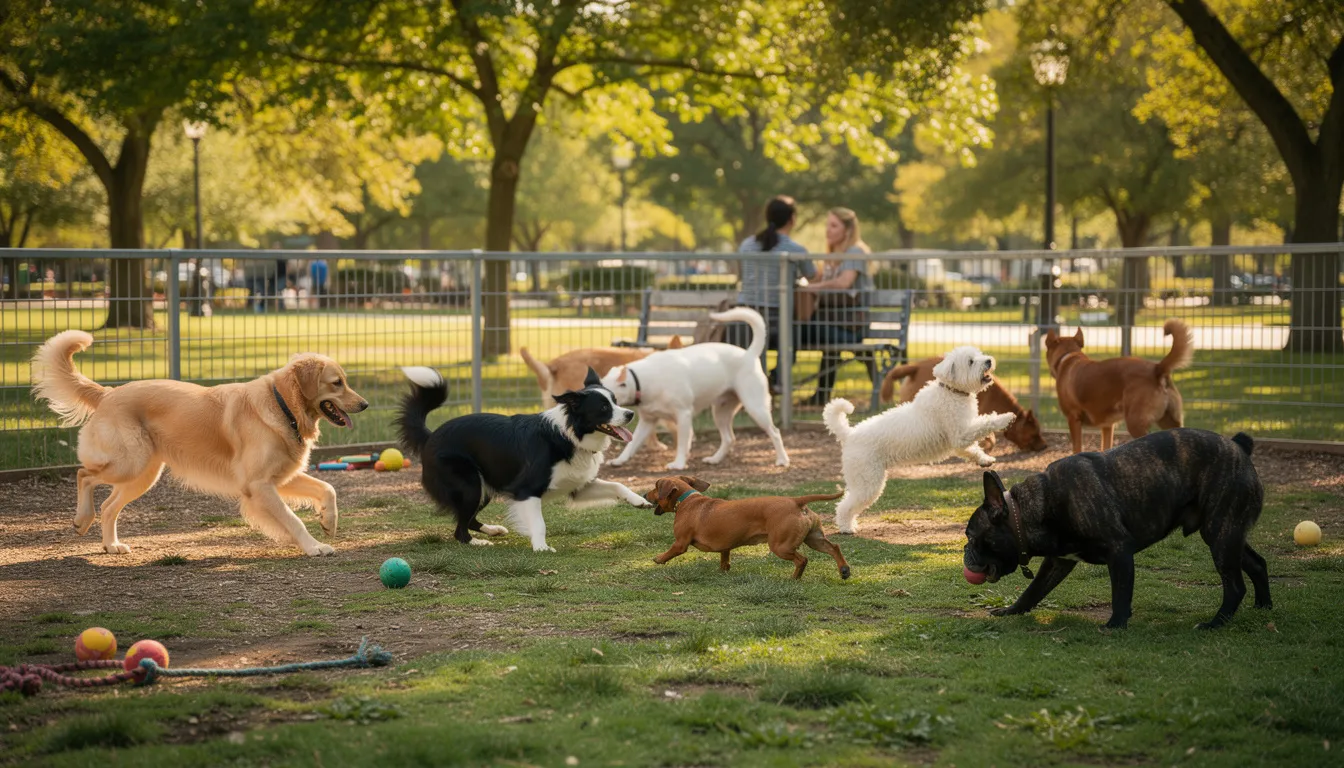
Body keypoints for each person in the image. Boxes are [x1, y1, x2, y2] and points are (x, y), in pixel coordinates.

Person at [732, 195, 817, 392]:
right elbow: (812, 276)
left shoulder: (747, 245)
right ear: (792, 219)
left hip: (744, 316)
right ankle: (776, 382)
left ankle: (756, 388)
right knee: (791, 340)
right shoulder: (795, 249)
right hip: (779, 320)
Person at [797, 207, 873, 405]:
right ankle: (820, 396)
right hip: (831, 322)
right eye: (827, 225)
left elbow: (843, 283)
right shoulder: (831, 255)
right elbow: (816, 278)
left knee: (797, 332)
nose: (827, 230)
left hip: (852, 325)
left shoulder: (855, 251)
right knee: (815, 337)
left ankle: (781, 385)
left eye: (833, 226)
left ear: (847, 230)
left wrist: (811, 287)